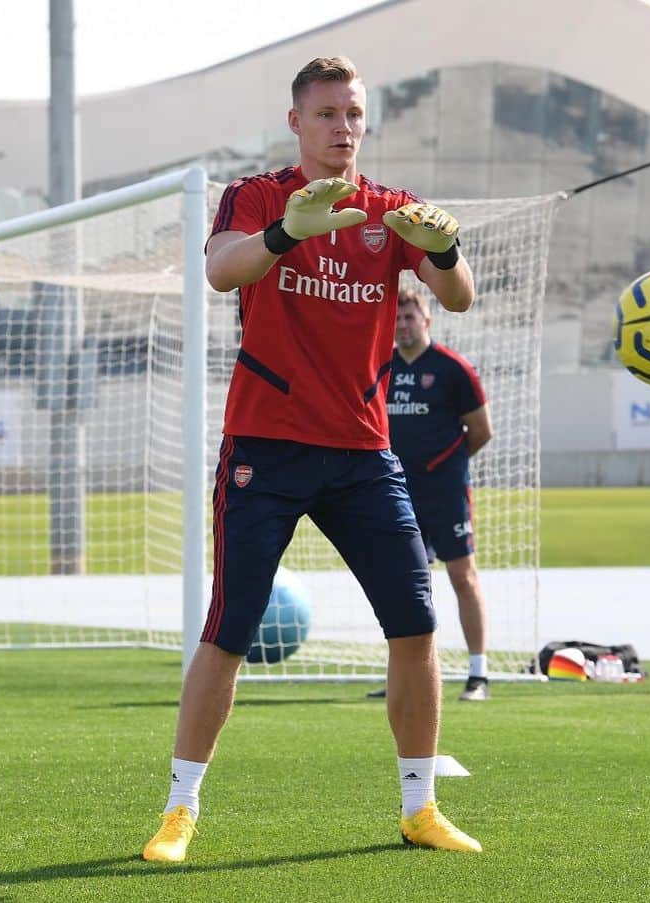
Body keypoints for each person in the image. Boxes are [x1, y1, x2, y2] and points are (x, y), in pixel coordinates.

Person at [142, 55, 482, 863]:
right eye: (327, 114)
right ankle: (180, 809)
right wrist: (289, 228)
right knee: (229, 629)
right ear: (296, 122)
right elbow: (222, 270)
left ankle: (420, 807)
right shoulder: (259, 196)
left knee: (416, 625)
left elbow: (460, 294)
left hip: (365, 455)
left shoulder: (391, 210)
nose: (343, 128)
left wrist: (442, 248)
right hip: (266, 448)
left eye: (354, 114)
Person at [368, 288, 493, 702]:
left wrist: (445, 466)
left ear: (427, 321)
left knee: (462, 576)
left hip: (444, 493)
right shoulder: (378, 368)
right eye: (397, 318)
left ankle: (478, 674)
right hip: (395, 493)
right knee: (403, 586)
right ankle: (405, 676)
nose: (403, 325)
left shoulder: (452, 369)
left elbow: (481, 431)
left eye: (410, 317)